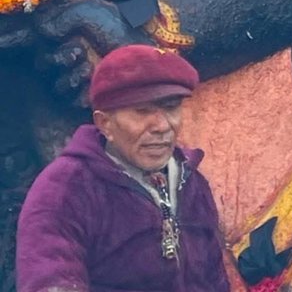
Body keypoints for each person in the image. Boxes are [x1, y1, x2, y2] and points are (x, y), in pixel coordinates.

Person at [17, 43, 229, 292]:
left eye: (171, 107)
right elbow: (48, 281)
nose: (162, 125)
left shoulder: (192, 183)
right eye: (143, 111)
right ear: (105, 123)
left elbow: (215, 281)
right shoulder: (64, 190)